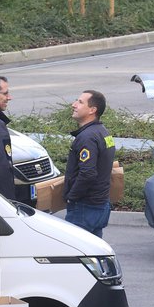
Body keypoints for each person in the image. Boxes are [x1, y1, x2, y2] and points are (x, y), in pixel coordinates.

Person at [64, 90, 116, 238]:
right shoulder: (103, 132)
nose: (73, 105)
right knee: (93, 254)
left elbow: (88, 173)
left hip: (85, 208)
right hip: (101, 205)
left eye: (80, 102)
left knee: (75, 254)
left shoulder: (87, 137)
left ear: (93, 110)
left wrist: (71, 196)